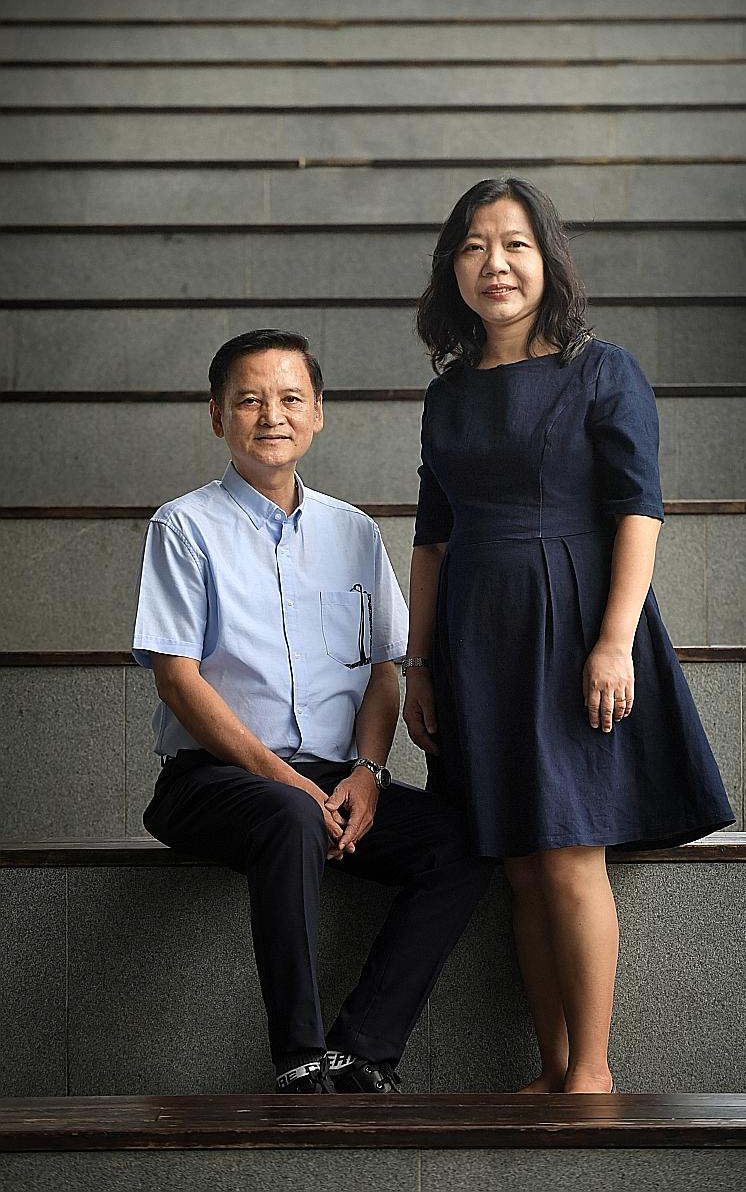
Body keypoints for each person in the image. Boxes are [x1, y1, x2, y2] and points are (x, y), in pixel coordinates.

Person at [403, 178, 735, 1096]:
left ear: (547, 260)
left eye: (513, 244)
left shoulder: (602, 369)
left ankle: (592, 1070)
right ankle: (550, 1068)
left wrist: (611, 642)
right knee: (516, 862)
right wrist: (419, 663)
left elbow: (639, 510)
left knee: (567, 849)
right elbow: (431, 538)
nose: (494, 265)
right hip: (475, 633)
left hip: (569, 622)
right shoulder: (447, 395)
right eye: (472, 247)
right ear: (451, 269)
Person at [132, 328, 493, 1095]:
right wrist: (282, 780)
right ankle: (298, 1057)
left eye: (291, 398)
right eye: (249, 400)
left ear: (319, 413)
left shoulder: (353, 532)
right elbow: (176, 679)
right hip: (215, 779)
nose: (272, 415)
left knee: (460, 838)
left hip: (335, 777)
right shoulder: (183, 526)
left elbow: (383, 669)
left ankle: (362, 1048)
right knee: (288, 816)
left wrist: (367, 771)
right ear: (216, 417)